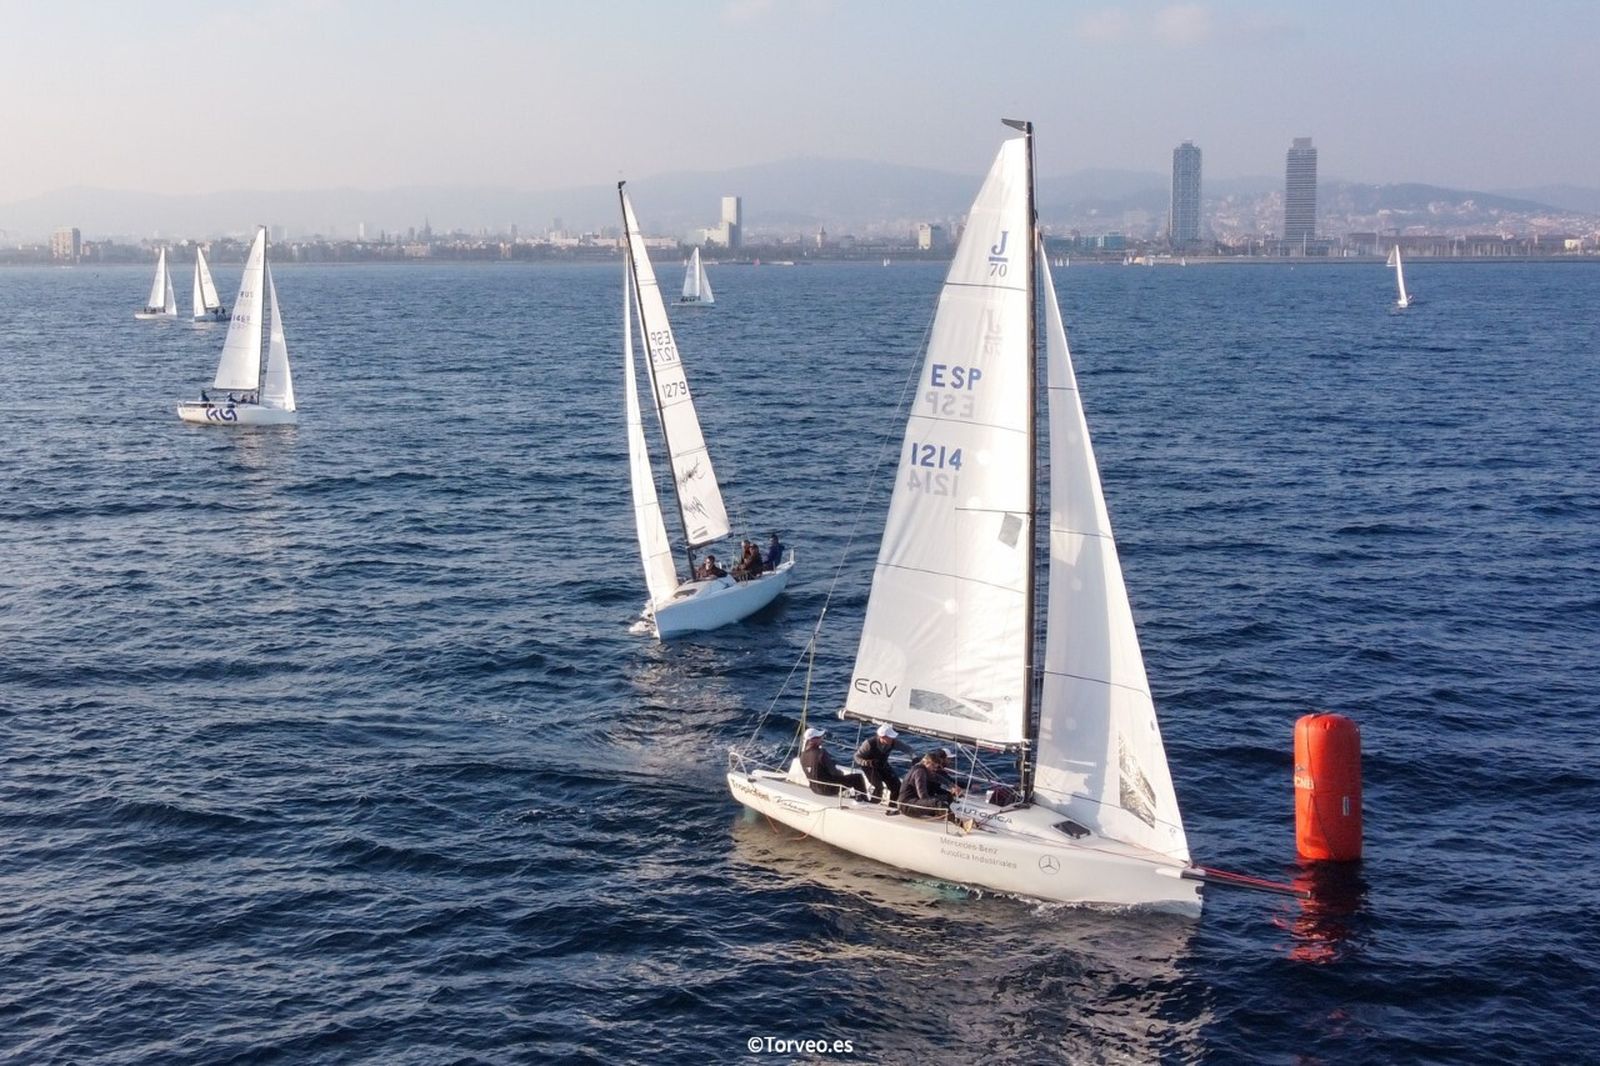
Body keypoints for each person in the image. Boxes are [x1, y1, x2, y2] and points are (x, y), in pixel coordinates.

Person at [798, 727, 869, 800]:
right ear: (812, 740)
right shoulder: (821, 753)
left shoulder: (802, 756)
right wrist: (841, 774)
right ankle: (865, 801)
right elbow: (833, 772)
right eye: (819, 737)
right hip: (827, 789)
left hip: (814, 789)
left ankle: (856, 797)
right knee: (857, 778)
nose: (821, 738)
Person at [898, 749, 964, 819]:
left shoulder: (924, 770)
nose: (935, 769)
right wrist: (933, 805)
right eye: (933, 766)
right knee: (937, 803)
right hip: (907, 806)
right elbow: (922, 795)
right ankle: (957, 822)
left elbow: (937, 777)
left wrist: (952, 786)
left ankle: (942, 814)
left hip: (914, 802)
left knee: (947, 796)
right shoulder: (919, 772)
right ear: (926, 762)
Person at [853, 723, 911, 803]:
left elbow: (907, 749)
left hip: (882, 764)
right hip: (869, 766)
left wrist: (914, 757)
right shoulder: (869, 744)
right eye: (890, 737)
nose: (892, 739)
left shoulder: (893, 742)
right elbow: (856, 757)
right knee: (878, 786)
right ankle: (873, 804)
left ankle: (892, 805)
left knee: (896, 785)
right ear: (882, 737)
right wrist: (866, 762)